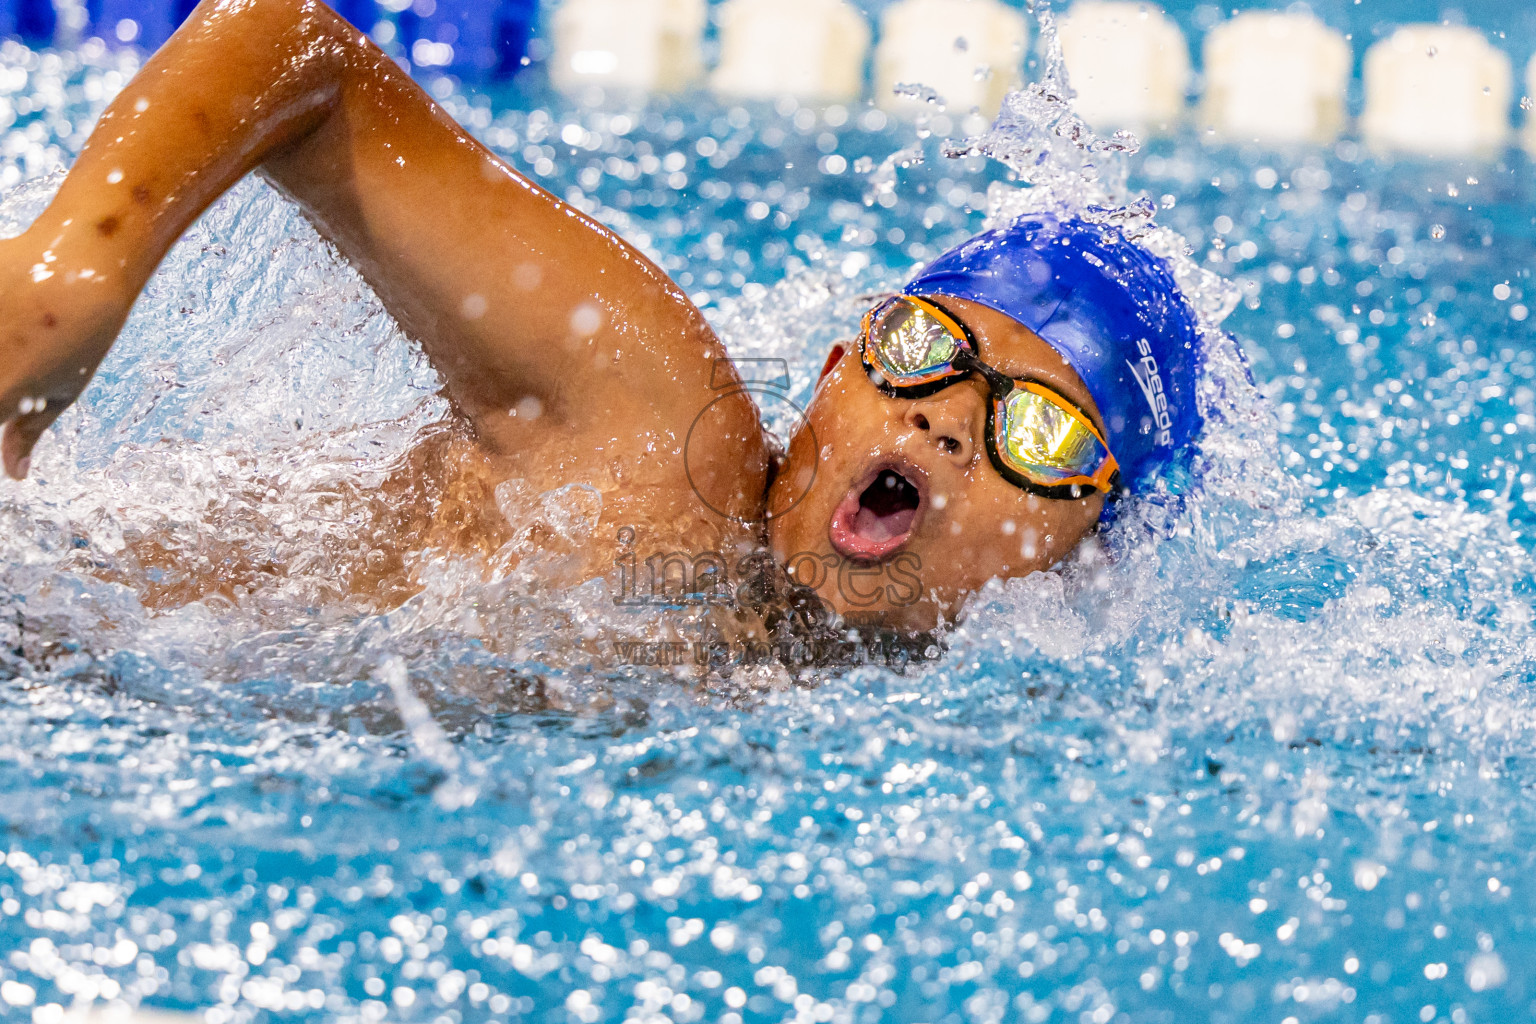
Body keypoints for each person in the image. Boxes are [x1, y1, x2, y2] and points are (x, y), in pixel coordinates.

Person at [0, 0, 1202, 638]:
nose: (946, 423)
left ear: (1086, 547)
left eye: (1040, 435)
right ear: (838, 367)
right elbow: (291, 45)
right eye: (926, 348)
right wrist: (73, 279)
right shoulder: (654, 437)